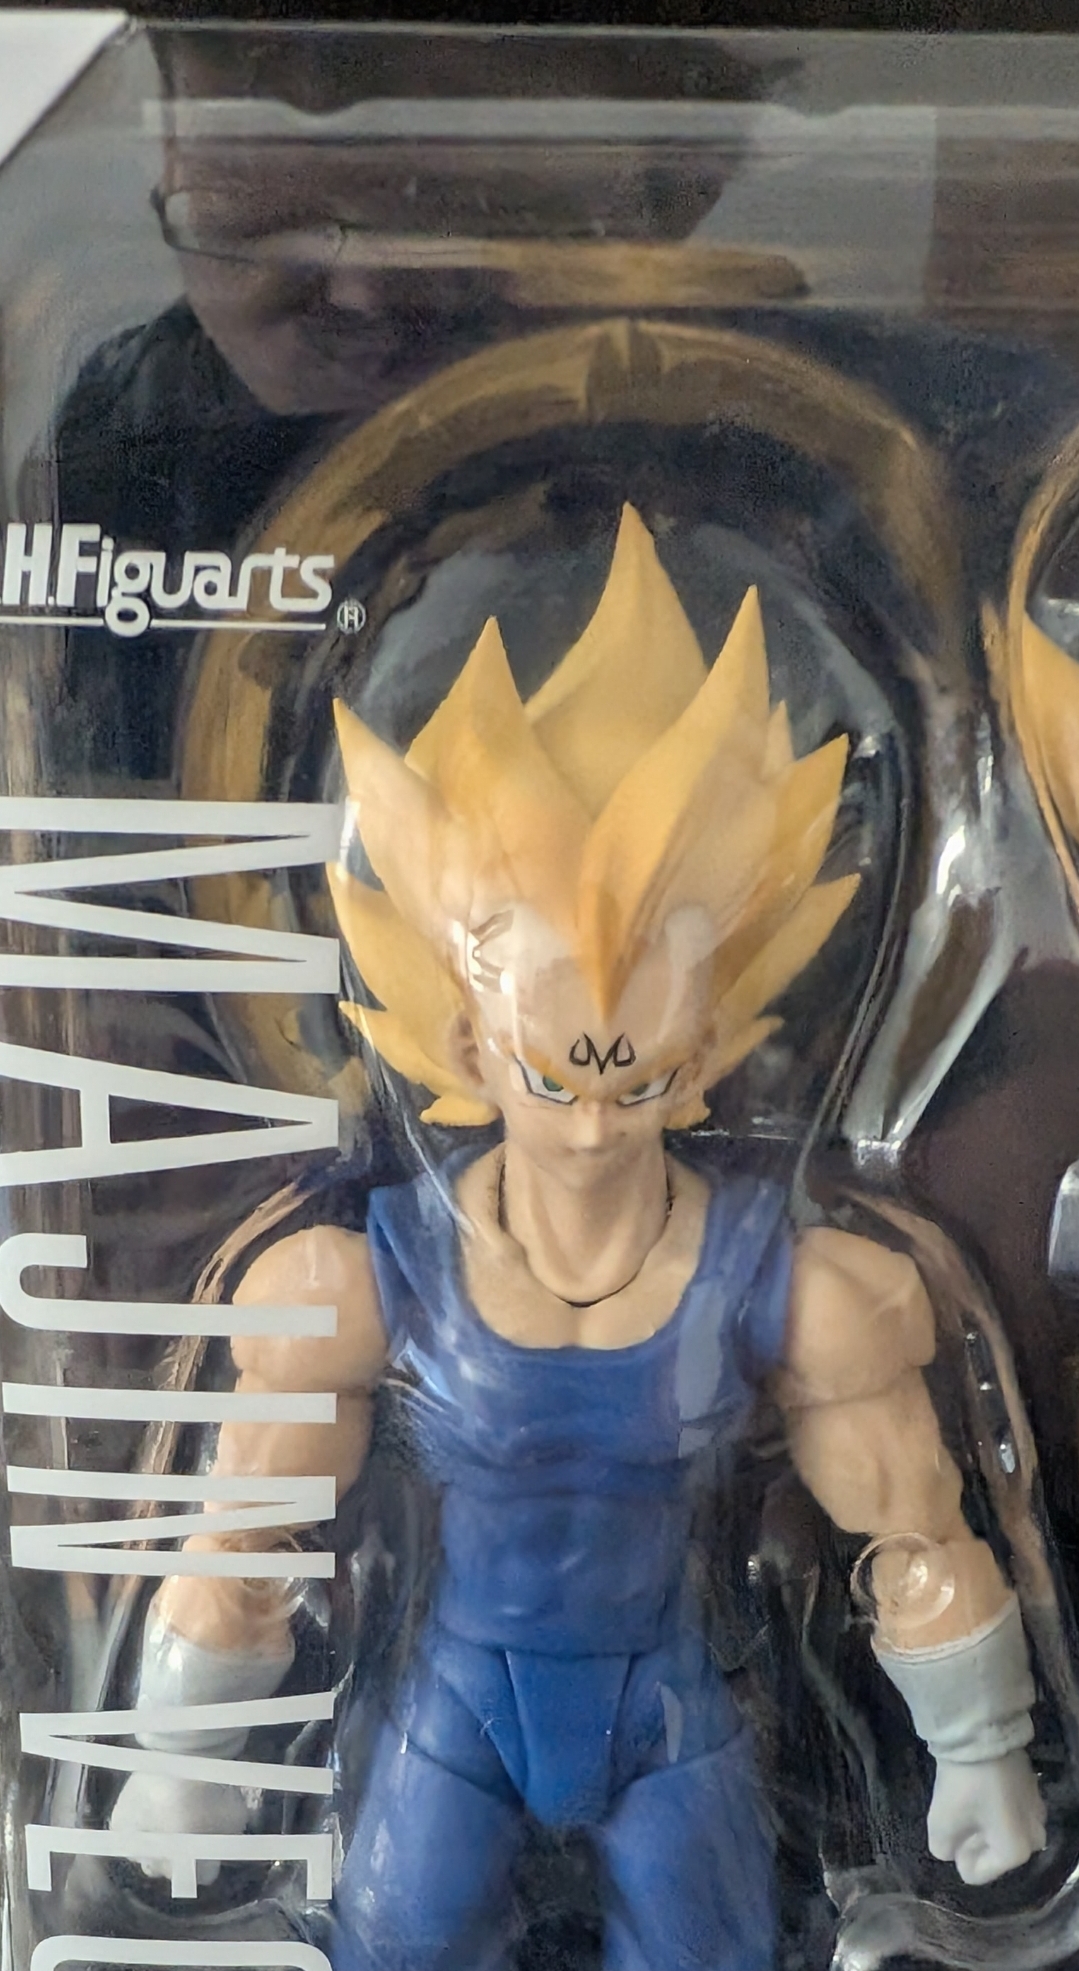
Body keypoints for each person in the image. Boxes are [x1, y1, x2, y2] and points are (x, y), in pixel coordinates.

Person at [110, 509, 1046, 1971]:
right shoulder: (362, 1282)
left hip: (673, 1720)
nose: (599, 1128)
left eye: (640, 1077)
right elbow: (248, 1527)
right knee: (393, 1947)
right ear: (467, 1039)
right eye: (558, 1079)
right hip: (452, 1712)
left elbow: (912, 1527)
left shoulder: (792, 1287)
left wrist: (981, 1751)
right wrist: (179, 1758)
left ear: (709, 1044)